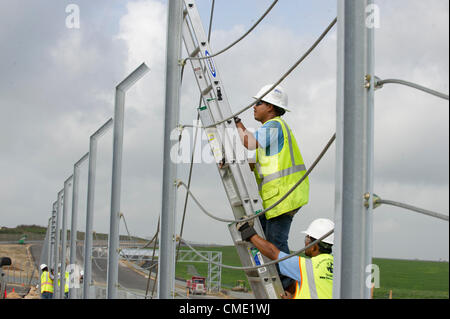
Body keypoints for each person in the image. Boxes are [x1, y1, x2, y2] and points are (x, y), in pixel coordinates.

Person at [234, 84, 310, 289]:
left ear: (271, 107)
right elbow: (255, 161)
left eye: (258, 103)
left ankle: (290, 288)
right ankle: (284, 285)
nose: (254, 106)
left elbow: (249, 143)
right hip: (277, 197)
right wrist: (233, 163)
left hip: (283, 195)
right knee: (262, 239)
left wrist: (237, 123)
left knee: (275, 243)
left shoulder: (274, 126)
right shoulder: (270, 133)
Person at [237, 218, 334, 299]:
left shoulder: (305, 266)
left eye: (307, 239)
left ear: (314, 246)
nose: (306, 243)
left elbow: (272, 252)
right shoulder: (340, 269)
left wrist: (248, 232)